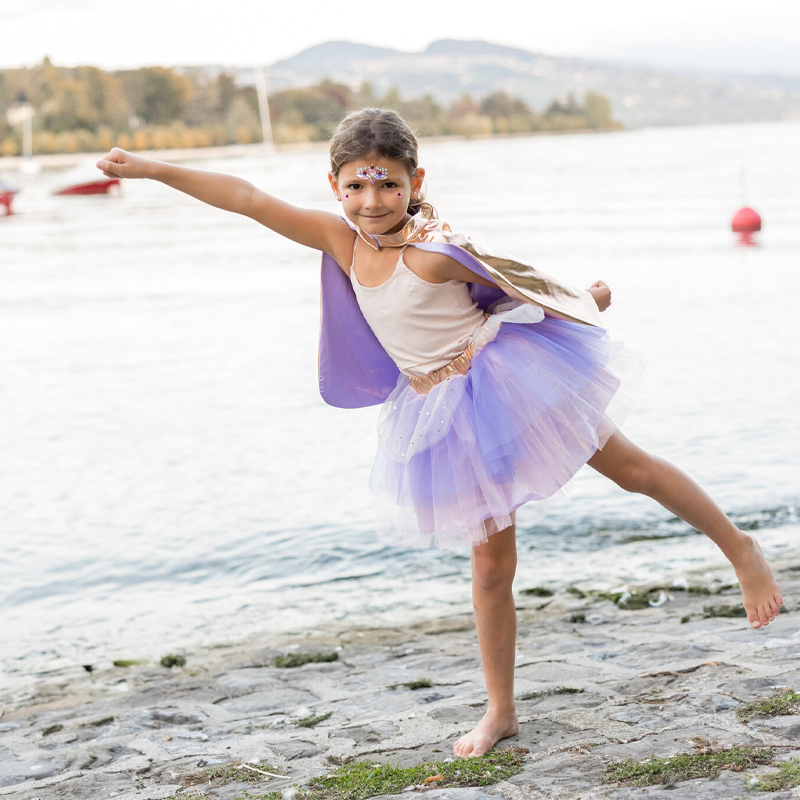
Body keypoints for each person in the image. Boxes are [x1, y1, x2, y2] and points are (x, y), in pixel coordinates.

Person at [97, 108, 783, 759]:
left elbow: (520, 284)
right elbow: (246, 196)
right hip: (439, 414)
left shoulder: (436, 252)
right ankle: (501, 710)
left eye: (387, 182)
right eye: (356, 184)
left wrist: (586, 300)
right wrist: (153, 170)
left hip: (507, 383)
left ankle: (740, 548)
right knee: (489, 567)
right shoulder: (341, 239)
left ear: (414, 182)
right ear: (333, 185)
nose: (371, 199)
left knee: (631, 470)